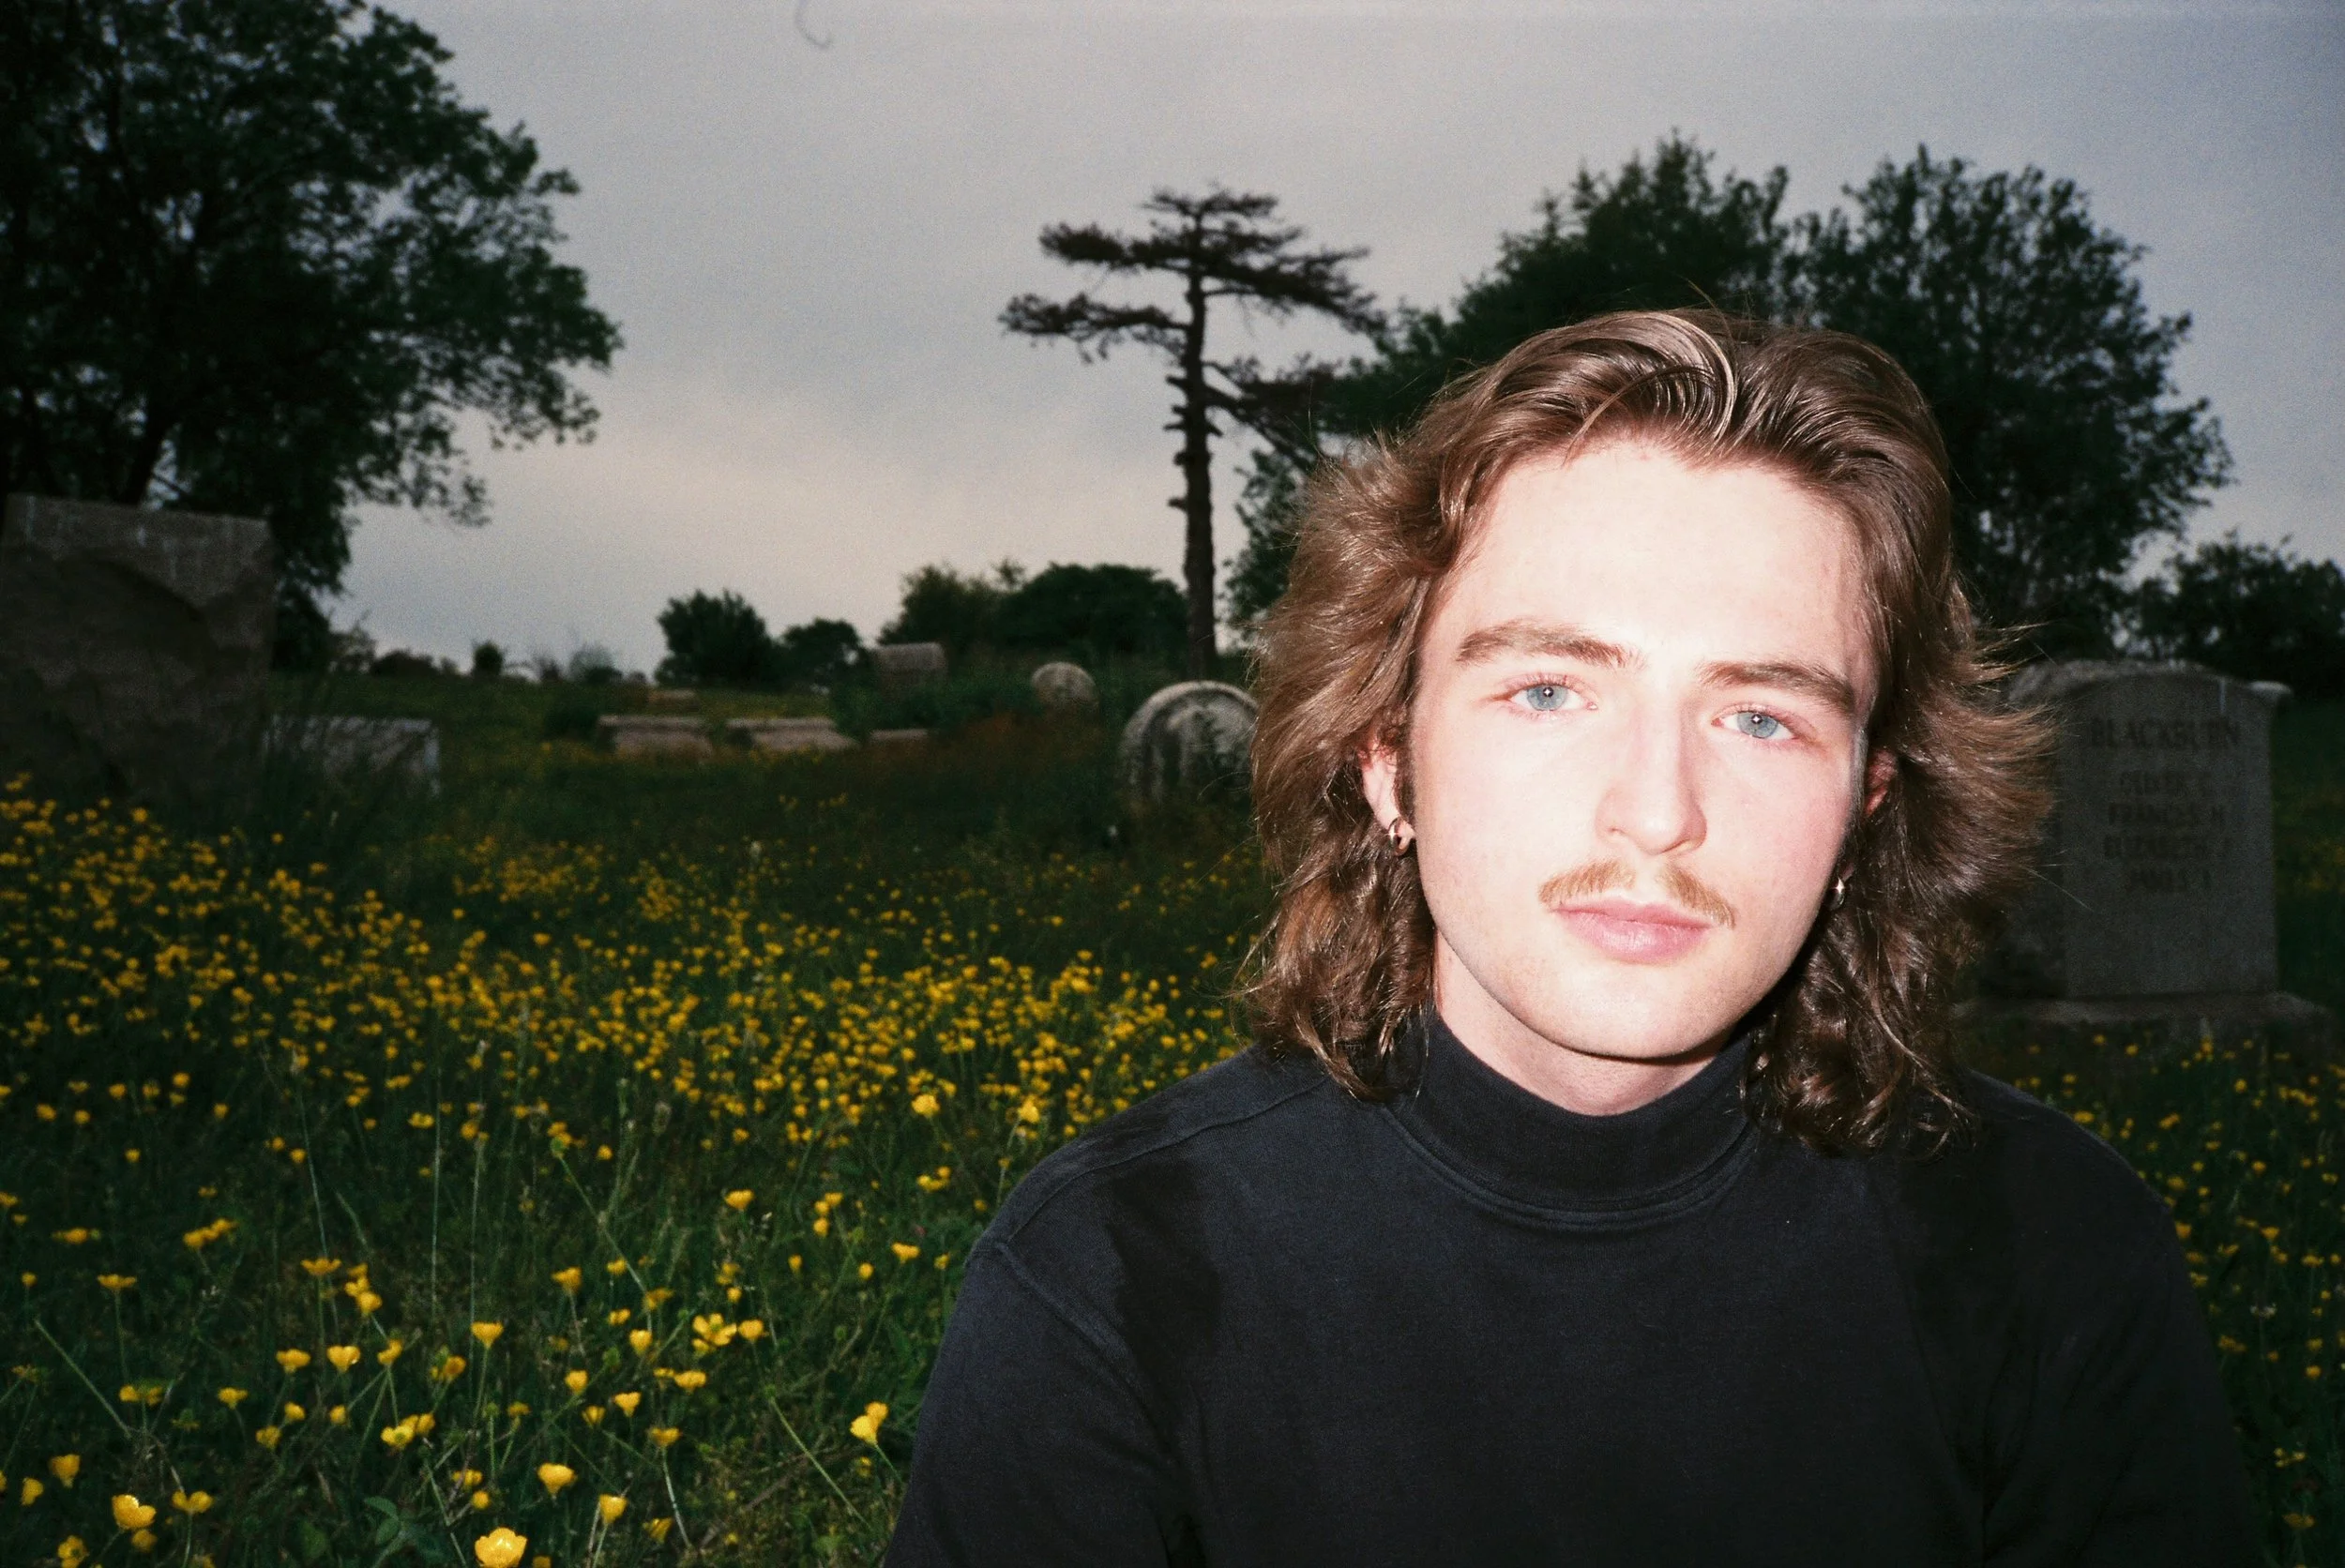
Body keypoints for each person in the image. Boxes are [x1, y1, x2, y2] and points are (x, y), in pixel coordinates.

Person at [885, 310, 2256, 1566]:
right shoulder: (1111, 1276)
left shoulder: (2056, 1252)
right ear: (1386, 762)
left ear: (1864, 808)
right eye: (1549, 690)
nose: (1657, 812)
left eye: (1763, 716)